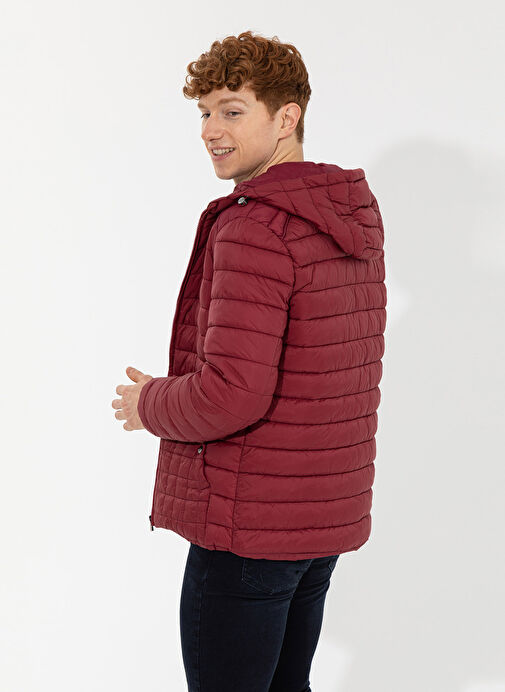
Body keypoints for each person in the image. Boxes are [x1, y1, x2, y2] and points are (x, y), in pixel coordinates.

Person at [112, 30, 386, 692]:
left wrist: (149, 403)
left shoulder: (254, 226)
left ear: (286, 117)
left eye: (232, 111)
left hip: (249, 526)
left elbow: (230, 394)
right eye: (205, 112)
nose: (211, 130)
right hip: (319, 519)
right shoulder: (347, 215)